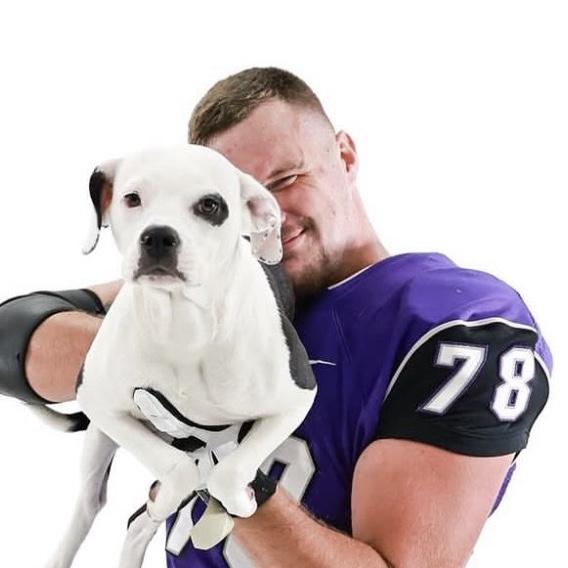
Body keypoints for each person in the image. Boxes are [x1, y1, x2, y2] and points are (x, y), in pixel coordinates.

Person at [0, 67, 551, 567]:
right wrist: (169, 370)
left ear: (345, 156)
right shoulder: (224, 282)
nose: (271, 214)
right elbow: (15, 336)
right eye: (234, 198)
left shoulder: (459, 321)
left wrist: (209, 447)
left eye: (286, 179)